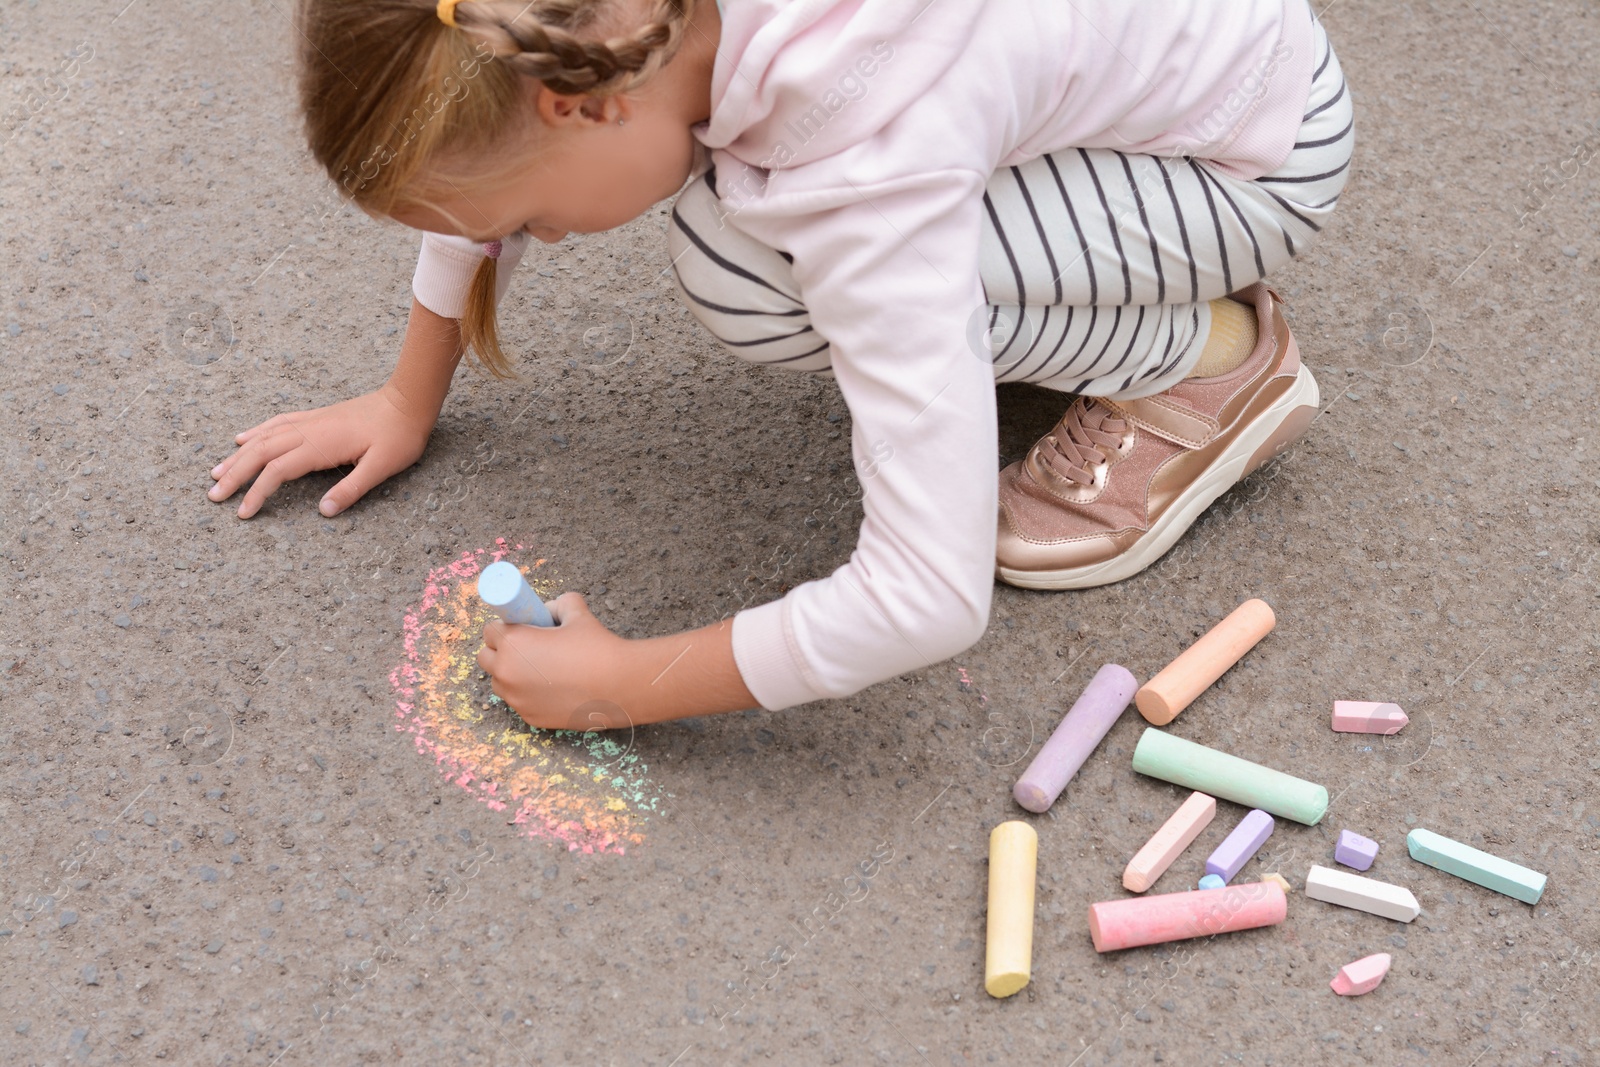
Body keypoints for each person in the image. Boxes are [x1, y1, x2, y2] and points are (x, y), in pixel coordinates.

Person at [208, 0, 1353, 729]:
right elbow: (476, 82)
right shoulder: (582, 28)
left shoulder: (860, 147)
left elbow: (925, 595)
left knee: (750, 271)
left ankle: (1202, 359)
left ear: (584, 104)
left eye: (531, 217)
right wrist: (409, 391)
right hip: (1168, 64)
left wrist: (626, 682)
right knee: (742, 230)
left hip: (1245, 158)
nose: (534, 240)